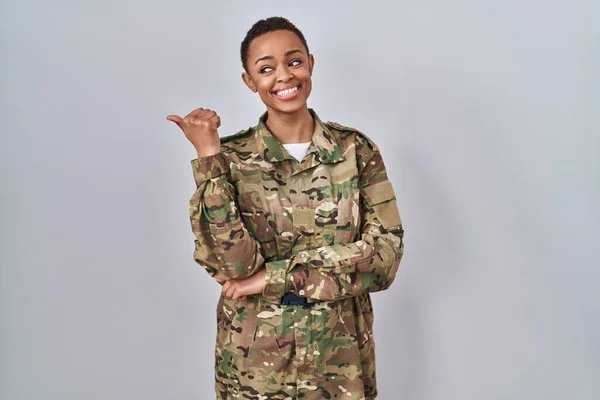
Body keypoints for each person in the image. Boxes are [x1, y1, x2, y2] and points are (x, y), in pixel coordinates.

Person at [167, 16, 404, 400]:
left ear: (311, 63)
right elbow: (234, 269)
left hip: (339, 366)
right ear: (249, 80)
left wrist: (274, 278)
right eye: (266, 68)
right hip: (254, 372)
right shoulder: (230, 159)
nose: (283, 76)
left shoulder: (355, 151)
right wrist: (208, 157)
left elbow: (385, 257)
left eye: (294, 61)